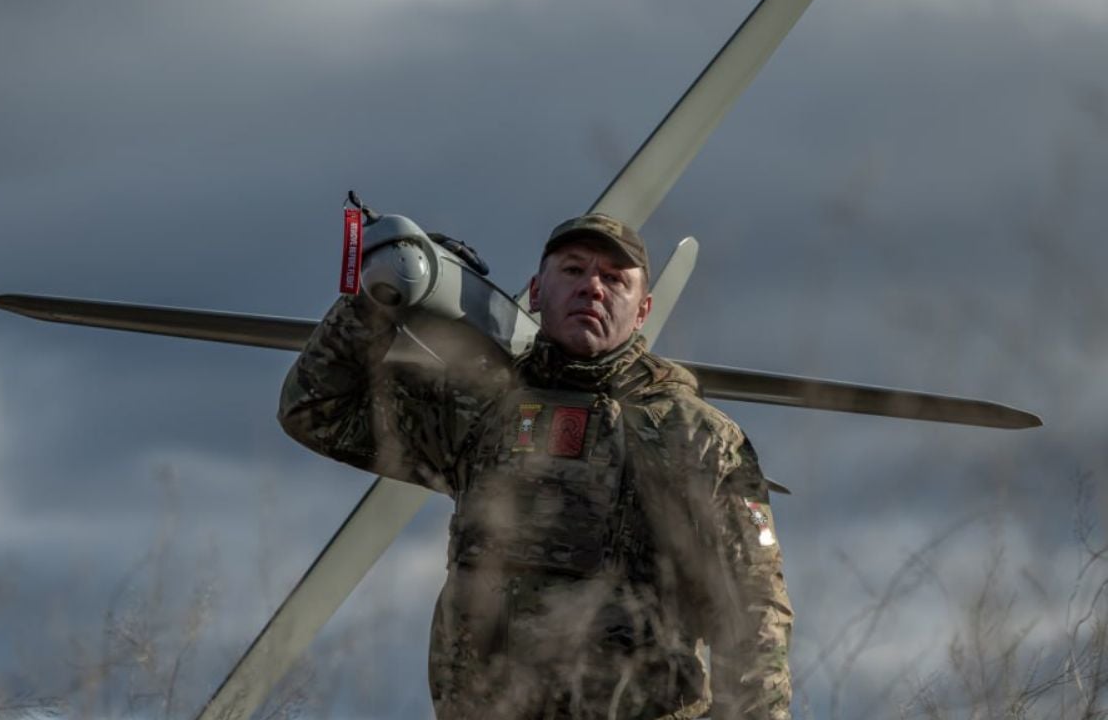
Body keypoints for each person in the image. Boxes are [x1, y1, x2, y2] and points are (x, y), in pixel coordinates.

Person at [279, 214, 793, 719]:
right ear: (536, 292)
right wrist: (374, 300)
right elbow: (315, 409)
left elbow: (754, 611)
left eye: (614, 278)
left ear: (643, 311)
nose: (592, 287)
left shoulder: (699, 437)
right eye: (573, 270)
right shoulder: (480, 409)